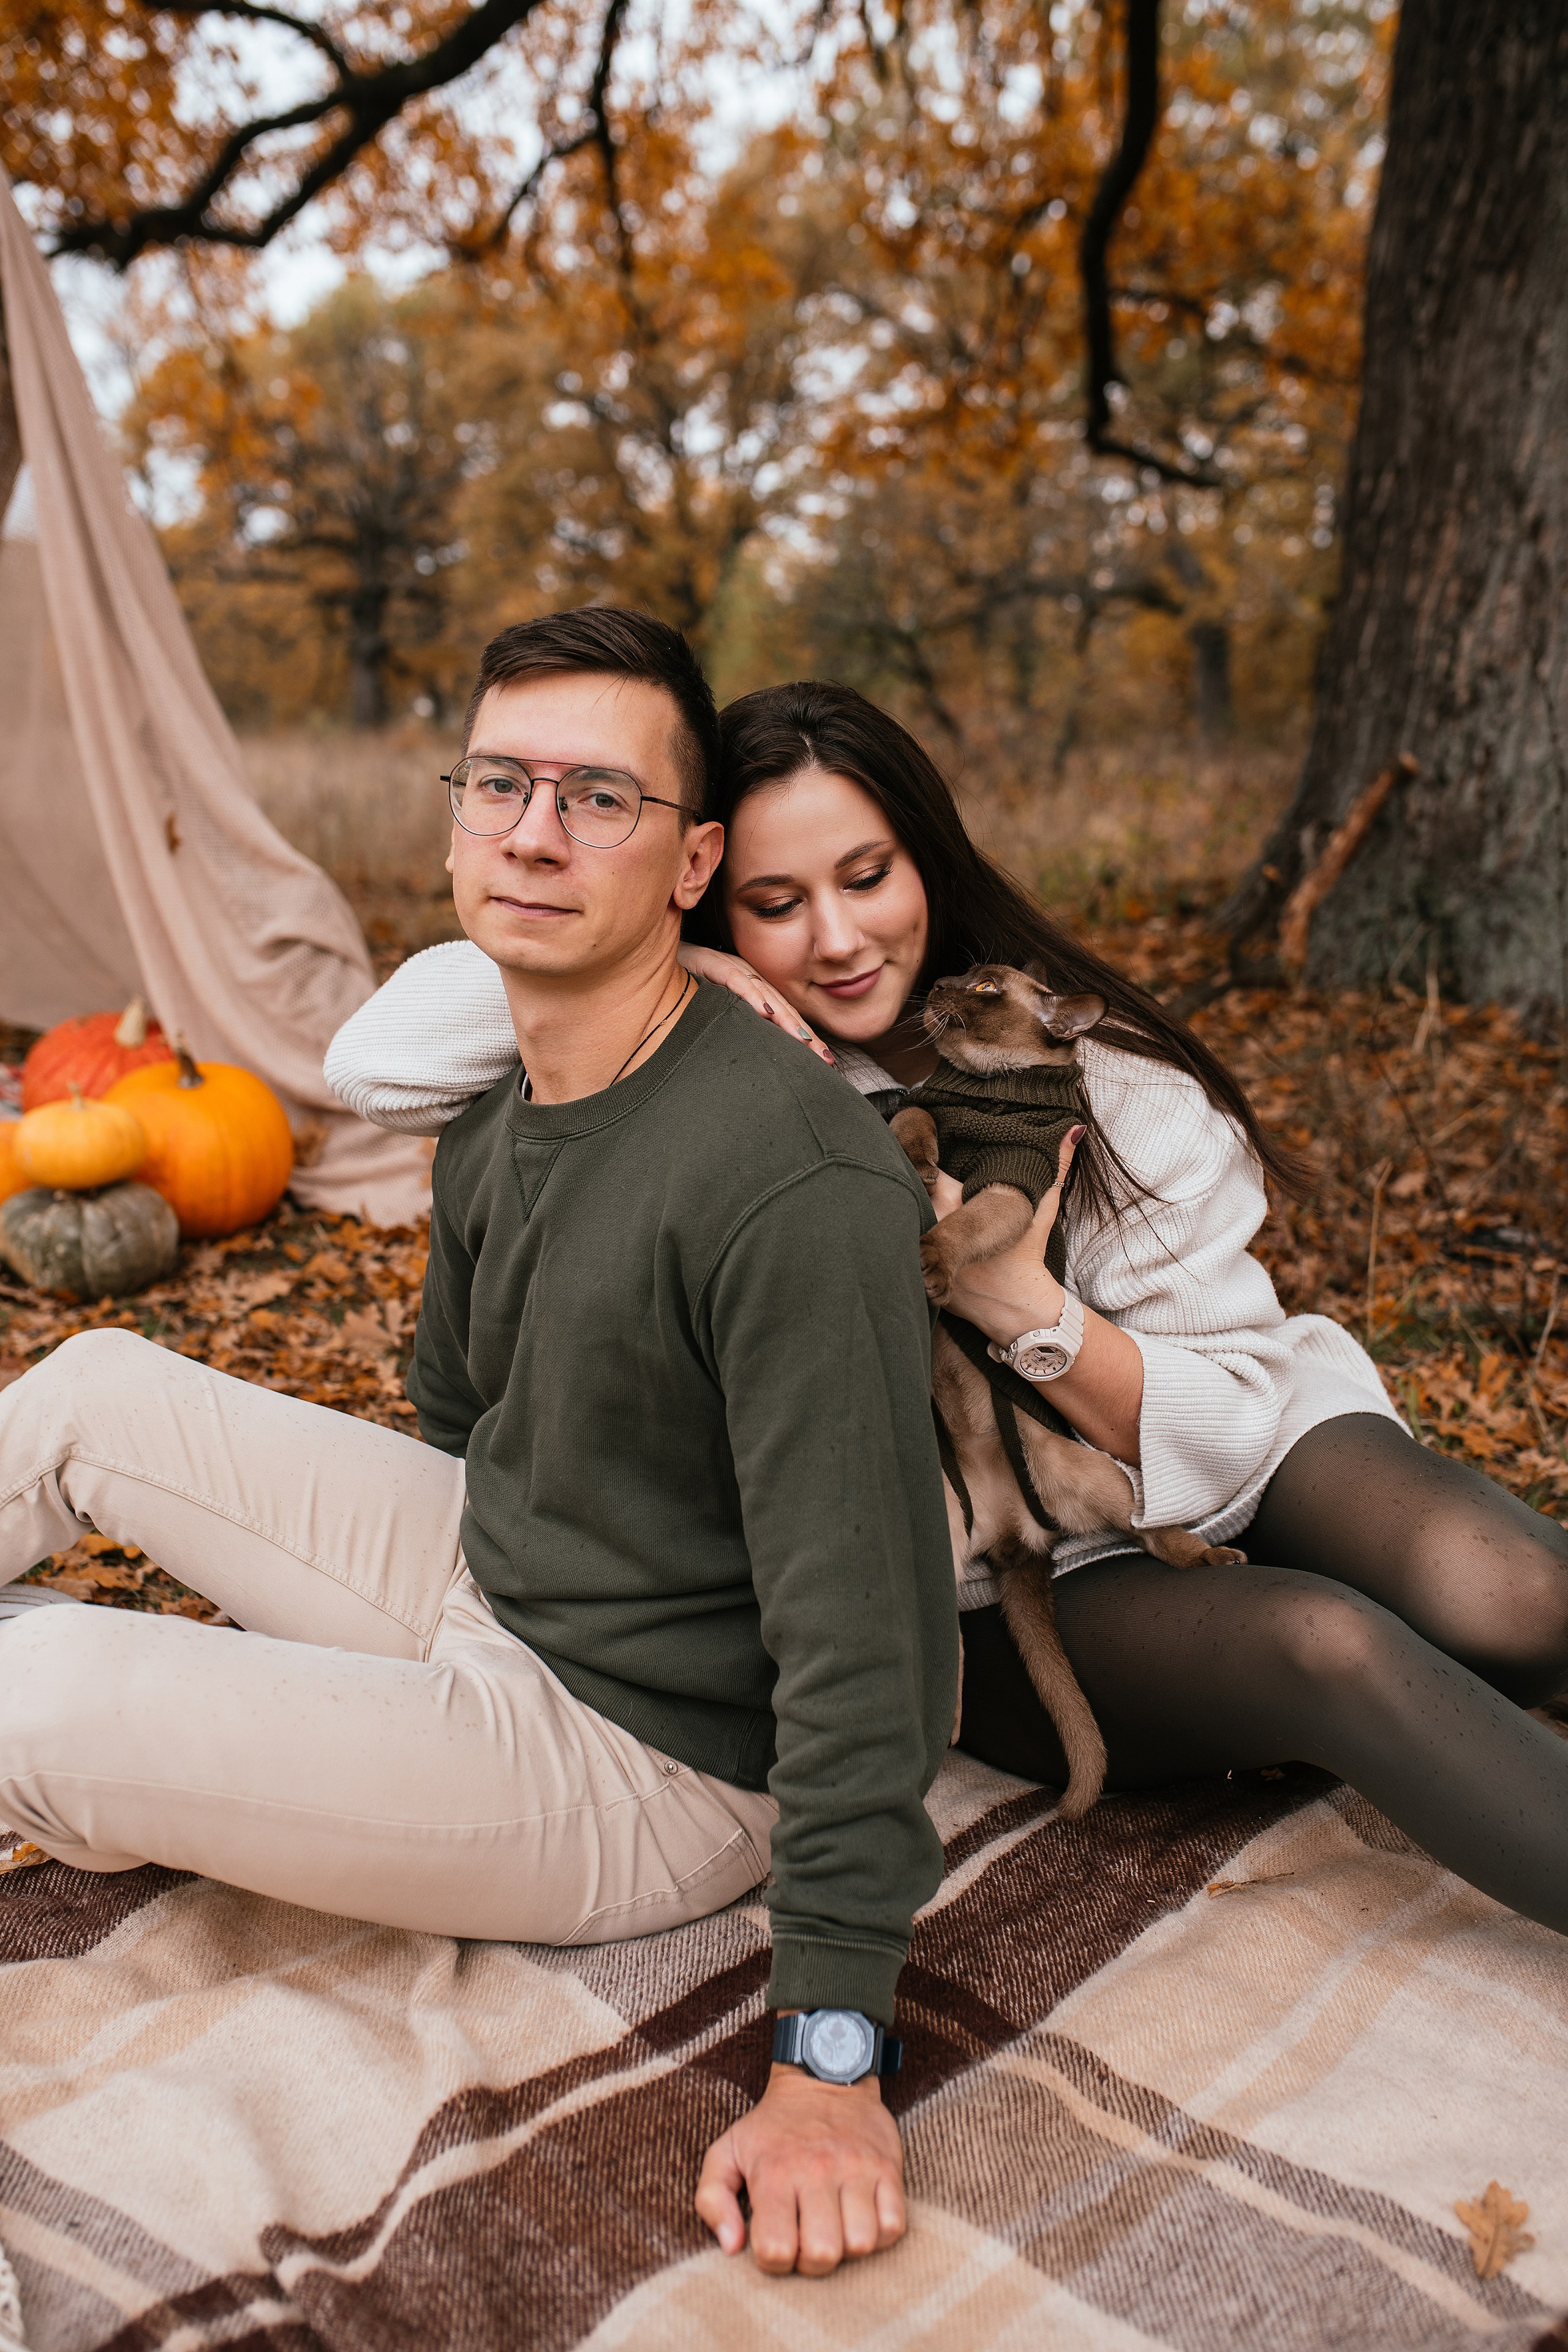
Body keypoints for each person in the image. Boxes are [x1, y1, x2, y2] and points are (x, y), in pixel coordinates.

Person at [0, 614, 965, 2282]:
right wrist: (362, 1671)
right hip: (505, 1575)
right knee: (92, 1385)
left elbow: (872, 1646)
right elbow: (459, 1422)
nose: (533, 833)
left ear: (692, 862)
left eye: (599, 799)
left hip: (656, 1759)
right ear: (456, 820)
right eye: (501, 785)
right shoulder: (500, 1102)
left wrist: (829, 2065)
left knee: (41, 1694)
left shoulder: (793, 1181)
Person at [333, 674, 1568, 1947]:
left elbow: (1235, 1437)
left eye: (866, 877)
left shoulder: (1099, 1075)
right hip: (999, 1566)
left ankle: (1404, 1694)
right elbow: (374, 1062)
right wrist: (662, 953)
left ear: (927, 860)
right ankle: (1325, 1688)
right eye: (773, 904)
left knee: (1521, 1598)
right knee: (1330, 1647)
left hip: (1212, 1430)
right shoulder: (740, 1078)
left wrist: (1020, 1303)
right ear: (701, 886)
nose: (835, 940)